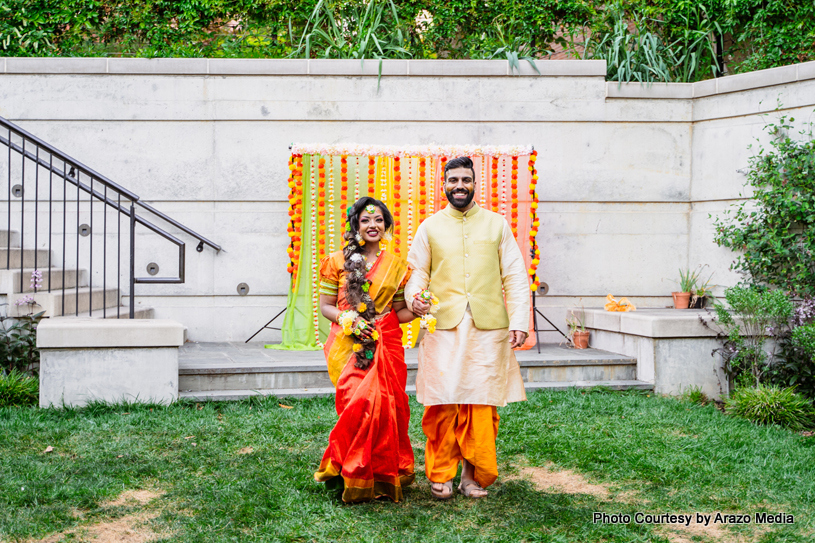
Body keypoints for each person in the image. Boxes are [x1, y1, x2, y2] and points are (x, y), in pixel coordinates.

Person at [405, 156, 530, 499]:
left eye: (466, 180)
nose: (459, 186)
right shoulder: (430, 226)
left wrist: (520, 320)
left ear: (475, 184)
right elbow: (417, 272)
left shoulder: (497, 224)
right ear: (443, 185)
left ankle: (472, 477)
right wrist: (414, 298)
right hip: (443, 325)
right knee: (443, 400)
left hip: (488, 328)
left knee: (481, 401)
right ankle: (442, 473)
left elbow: (515, 276)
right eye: (453, 180)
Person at [314, 196, 417, 503]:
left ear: (386, 226)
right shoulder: (336, 262)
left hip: (386, 343)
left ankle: (382, 475)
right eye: (365, 220)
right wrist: (350, 321)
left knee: (387, 408)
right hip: (349, 345)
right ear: (356, 225)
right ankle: (349, 472)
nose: (372, 225)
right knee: (355, 403)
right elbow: (325, 307)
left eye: (378, 220)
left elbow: (399, 312)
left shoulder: (398, 267)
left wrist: (419, 308)